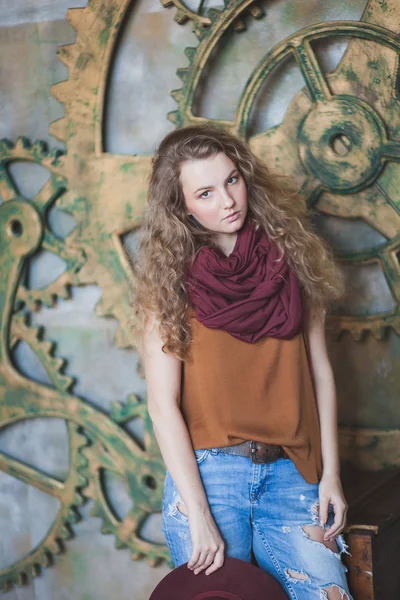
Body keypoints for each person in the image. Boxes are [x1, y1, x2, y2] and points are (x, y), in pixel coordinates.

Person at [129, 124, 352, 600]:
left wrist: (330, 473)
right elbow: (162, 406)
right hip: (208, 479)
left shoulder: (294, 259)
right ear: (182, 206)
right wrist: (199, 513)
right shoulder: (167, 285)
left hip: (292, 474)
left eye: (232, 180)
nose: (227, 200)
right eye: (205, 192)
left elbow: (321, 375)